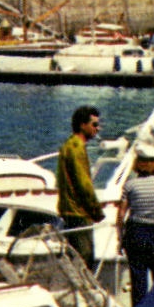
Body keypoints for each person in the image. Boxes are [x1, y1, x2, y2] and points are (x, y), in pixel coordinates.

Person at [117, 142, 154, 307]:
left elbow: (121, 215)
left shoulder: (130, 185)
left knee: (138, 280)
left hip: (137, 232)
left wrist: (120, 238)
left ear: (137, 163)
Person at [56, 105, 105, 266]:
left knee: (75, 256)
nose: (98, 128)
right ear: (82, 125)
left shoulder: (68, 145)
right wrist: (96, 211)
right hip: (79, 212)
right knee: (84, 258)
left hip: (68, 210)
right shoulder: (77, 148)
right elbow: (84, 185)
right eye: (94, 124)